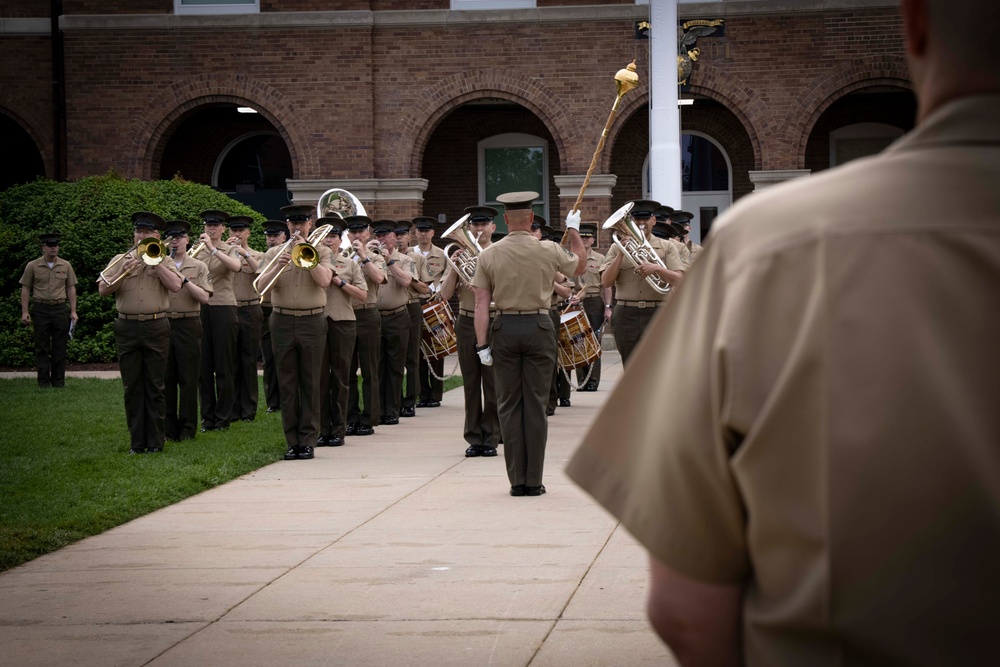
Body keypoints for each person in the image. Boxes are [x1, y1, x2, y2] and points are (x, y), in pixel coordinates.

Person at [567, 0, 1000, 663]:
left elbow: (685, 609)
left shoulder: (769, 246)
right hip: (634, 312)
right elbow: (607, 277)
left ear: (912, 23)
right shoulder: (732, 247)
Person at [472, 192, 586, 496]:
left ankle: (516, 482)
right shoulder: (548, 249)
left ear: (505, 220)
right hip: (538, 325)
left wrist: (481, 345)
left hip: (504, 326)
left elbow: (481, 305)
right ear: (532, 219)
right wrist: (573, 229)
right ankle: (534, 481)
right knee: (535, 405)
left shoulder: (489, 254)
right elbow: (581, 266)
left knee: (509, 405)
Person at [97, 212, 183, 454]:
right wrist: (121, 271)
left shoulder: (164, 259)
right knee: (132, 385)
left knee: (155, 384)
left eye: (147, 233)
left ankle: (156, 441)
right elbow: (103, 290)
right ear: (134, 235)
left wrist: (156, 268)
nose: (142, 236)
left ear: (157, 236)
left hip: (156, 325)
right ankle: (137, 442)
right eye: (138, 232)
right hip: (127, 326)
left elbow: (176, 286)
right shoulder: (120, 259)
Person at [256, 204, 334, 460]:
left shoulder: (321, 250)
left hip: (313, 321)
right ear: (287, 225)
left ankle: (309, 440)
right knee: (287, 383)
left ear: (310, 224)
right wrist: (276, 266)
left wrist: (308, 258)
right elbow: (260, 287)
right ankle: (292, 441)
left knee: (311, 381)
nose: (297, 227)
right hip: (282, 320)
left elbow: (324, 281)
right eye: (292, 223)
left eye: (302, 222)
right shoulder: (273, 253)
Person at [440, 206, 501, 458]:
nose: (479, 229)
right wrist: (454, 268)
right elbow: (443, 295)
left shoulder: (499, 254)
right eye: (475, 225)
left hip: (494, 320)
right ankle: (474, 437)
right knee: (471, 383)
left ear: (493, 227)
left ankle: (492, 437)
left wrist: (481, 286)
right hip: (466, 321)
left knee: (493, 382)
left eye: (484, 224)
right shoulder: (460, 256)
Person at [599, 200, 685, 365]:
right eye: (637, 219)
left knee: (659, 364)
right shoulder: (616, 247)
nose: (641, 223)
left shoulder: (667, 247)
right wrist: (621, 254)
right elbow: (606, 281)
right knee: (630, 365)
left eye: (645, 218)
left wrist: (657, 269)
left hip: (658, 312)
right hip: (626, 313)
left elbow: (680, 280)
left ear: (653, 220)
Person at [317, 217, 368, 447]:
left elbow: (362, 295)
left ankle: (339, 428)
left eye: (333, 236)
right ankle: (321, 428)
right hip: (316, 322)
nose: (328, 240)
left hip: (343, 321)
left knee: (340, 377)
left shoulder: (350, 264)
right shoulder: (309, 259)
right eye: (325, 236)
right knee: (318, 379)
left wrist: (339, 282)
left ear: (340, 240)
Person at [163, 220, 212, 442]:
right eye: (172, 238)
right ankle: (168, 428)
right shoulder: (158, 263)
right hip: (164, 323)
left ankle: (188, 428)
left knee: (189, 378)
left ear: (187, 240)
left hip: (189, 323)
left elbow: (204, 297)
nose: (176, 242)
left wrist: (183, 280)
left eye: (179, 238)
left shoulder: (198, 266)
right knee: (167, 378)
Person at [196, 209, 241, 432]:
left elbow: (235, 266)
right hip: (201, 308)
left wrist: (213, 249)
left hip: (224, 306)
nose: (211, 229)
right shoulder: (196, 250)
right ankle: (207, 418)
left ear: (223, 228)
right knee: (203, 368)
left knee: (224, 366)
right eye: (208, 225)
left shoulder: (229, 248)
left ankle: (223, 417)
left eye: (215, 226)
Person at [372, 219, 416, 426]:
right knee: (377, 366)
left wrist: (389, 261)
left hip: (398, 315)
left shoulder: (405, 259)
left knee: (396, 366)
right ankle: (378, 409)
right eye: (378, 236)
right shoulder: (368, 257)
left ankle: (393, 408)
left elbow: (407, 281)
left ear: (393, 236)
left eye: (385, 236)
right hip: (375, 316)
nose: (381, 239)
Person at [19, 232, 78, 389]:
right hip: (40, 308)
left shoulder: (66, 265)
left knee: (60, 346)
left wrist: (73, 311)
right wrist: (25, 311)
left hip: (60, 308)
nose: (54, 248)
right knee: (42, 347)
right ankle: (43, 383)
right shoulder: (32, 266)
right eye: (50, 246)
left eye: (56, 245)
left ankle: (58, 382)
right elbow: (26, 288)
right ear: (43, 248)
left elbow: (71, 288)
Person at [226, 215, 263, 422]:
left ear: (248, 233)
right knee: (230, 361)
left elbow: (261, 271)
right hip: (229, 309)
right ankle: (231, 408)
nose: (237, 234)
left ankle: (248, 410)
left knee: (248, 360)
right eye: (233, 231)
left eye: (241, 231)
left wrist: (245, 254)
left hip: (250, 308)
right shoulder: (222, 253)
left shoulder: (257, 254)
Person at [396, 220, 432, 418]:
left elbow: (425, 288)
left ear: (409, 237)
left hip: (411, 306)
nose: (400, 238)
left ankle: (410, 400)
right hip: (391, 309)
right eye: (397, 235)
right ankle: (393, 399)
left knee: (412, 356)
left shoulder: (418, 259)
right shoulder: (380, 256)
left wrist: (409, 278)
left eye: (403, 234)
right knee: (392, 358)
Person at [413, 216, 448, 408]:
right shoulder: (409, 254)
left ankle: (435, 394)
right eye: (420, 230)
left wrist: (437, 291)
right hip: (415, 302)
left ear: (432, 233)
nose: (423, 234)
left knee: (437, 349)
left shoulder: (442, 254)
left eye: (427, 231)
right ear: (415, 233)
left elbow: (447, 276)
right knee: (417, 351)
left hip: (435, 303)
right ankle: (422, 394)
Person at [575, 223, 611, 391]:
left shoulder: (600, 258)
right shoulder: (572, 257)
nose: (585, 240)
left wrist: (608, 307)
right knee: (577, 340)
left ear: (593, 239)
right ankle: (582, 380)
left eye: (588, 237)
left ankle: (593, 380)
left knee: (594, 341)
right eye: (582, 237)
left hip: (594, 301)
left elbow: (607, 284)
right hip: (576, 302)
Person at [259, 220, 288, 414]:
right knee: (269, 357)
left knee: (287, 358)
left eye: (275, 236)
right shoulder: (267, 256)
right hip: (266, 308)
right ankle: (273, 401)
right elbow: (259, 281)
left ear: (283, 237)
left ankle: (289, 398)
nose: (271, 239)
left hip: (284, 308)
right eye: (269, 236)